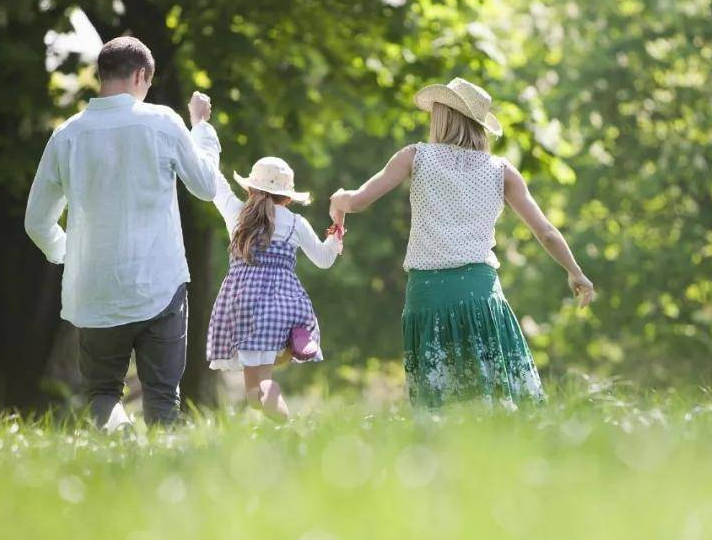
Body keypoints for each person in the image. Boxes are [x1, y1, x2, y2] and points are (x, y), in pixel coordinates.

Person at [329, 77, 594, 408]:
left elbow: (357, 201)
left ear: (442, 116)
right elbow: (547, 232)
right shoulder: (502, 171)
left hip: (428, 294)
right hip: (480, 294)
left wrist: (339, 201)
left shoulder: (415, 157)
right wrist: (575, 272)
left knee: (441, 405)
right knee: (496, 398)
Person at [24, 36, 221, 429]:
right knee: (164, 395)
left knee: (102, 394)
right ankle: (162, 480)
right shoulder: (163, 122)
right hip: (159, 284)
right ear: (141, 75)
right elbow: (206, 185)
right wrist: (201, 128)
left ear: (102, 75)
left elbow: (36, 222)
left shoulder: (67, 135)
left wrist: (69, 253)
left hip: (93, 289)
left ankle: (118, 447)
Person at [206, 157, 342, 421]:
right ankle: (283, 419)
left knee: (254, 393)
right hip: (281, 309)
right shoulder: (295, 223)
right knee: (260, 388)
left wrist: (201, 131)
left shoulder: (237, 215)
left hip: (243, 308)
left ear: (249, 190)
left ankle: (285, 424)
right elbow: (324, 260)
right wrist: (336, 230)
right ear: (288, 199)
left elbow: (216, 183)